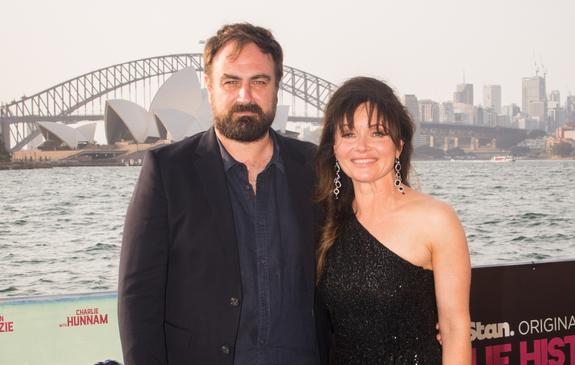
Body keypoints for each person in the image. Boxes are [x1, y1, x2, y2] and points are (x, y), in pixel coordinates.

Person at [118, 23, 324, 365]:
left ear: (276, 88)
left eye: (259, 81)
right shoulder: (168, 170)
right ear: (209, 86)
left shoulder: (314, 166)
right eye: (231, 82)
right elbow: (139, 296)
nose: (245, 96)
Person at [315, 77, 471, 364]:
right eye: (348, 134)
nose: (362, 147)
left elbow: (455, 329)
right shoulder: (327, 220)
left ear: (399, 145)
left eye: (377, 133)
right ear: (334, 147)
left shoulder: (436, 219)